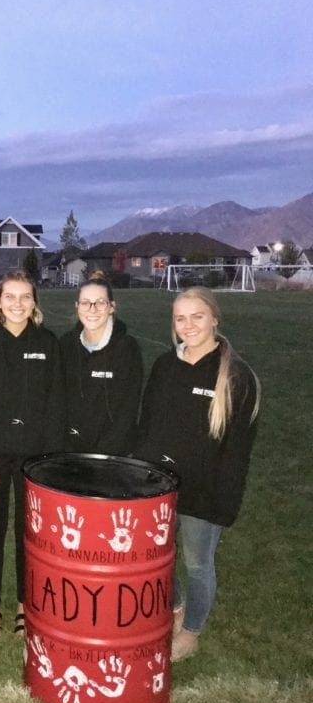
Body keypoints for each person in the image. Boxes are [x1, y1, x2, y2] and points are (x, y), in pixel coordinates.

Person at [135, 287, 260, 662]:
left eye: (197, 316)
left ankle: (191, 632)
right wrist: (141, 474)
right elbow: (148, 425)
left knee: (198, 564)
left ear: (214, 319)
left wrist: (225, 504)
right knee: (157, 558)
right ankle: (176, 609)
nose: (188, 325)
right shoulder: (164, 365)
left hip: (204, 494)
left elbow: (237, 451)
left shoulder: (236, 376)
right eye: (180, 318)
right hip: (160, 487)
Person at [0, 270, 64, 637]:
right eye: (10, 296)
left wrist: (49, 457)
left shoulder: (47, 343)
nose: (18, 303)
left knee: (31, 531)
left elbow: (55, 403)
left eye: (25, 296)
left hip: (33, 456)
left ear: (35, 302)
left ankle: (28, 602)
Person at [60, 275, 143, 455]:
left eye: (100, 302)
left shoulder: (127, 348)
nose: (92, 309)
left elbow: (128, 408)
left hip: (112, 453)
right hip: (71, 451)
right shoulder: (66, 345)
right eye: (85, 303)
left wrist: (104, 454)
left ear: (112, 307)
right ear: (77, 306)